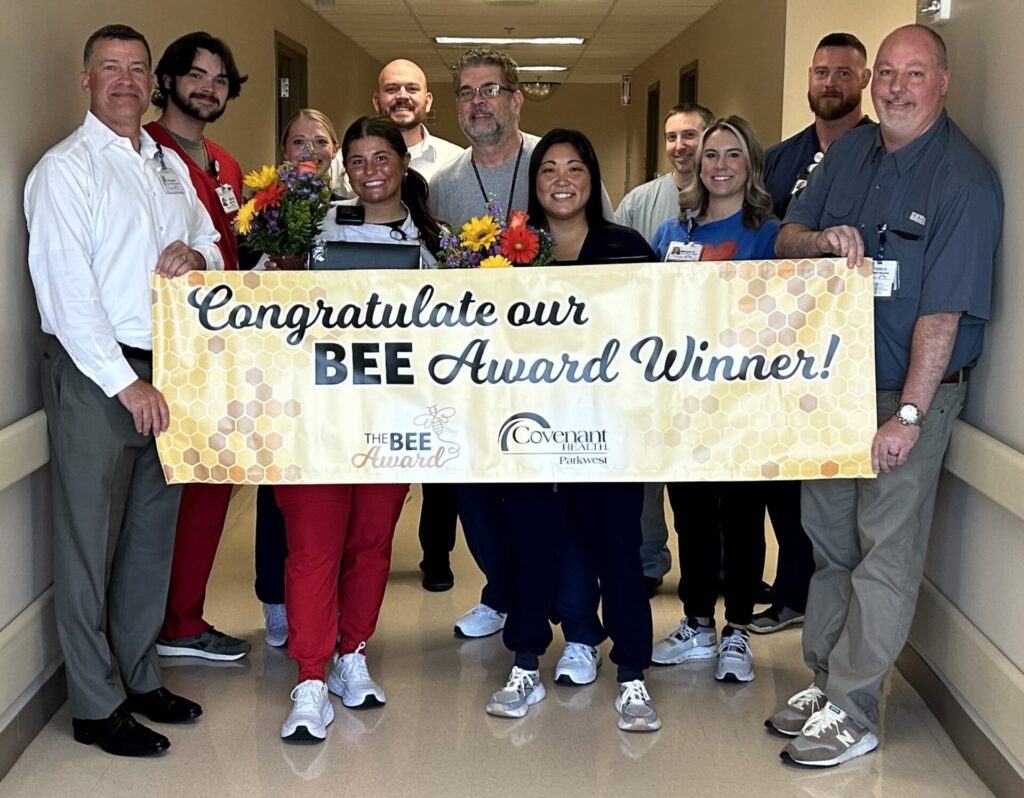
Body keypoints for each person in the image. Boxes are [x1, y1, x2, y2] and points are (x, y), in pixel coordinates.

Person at [767, 25, 1002, 768]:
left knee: (885, 552)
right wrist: (820, 241)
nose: (896, 88)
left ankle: (856, 707)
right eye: (888, 74)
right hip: (834, 385)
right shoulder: (852, 153)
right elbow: (785, 237)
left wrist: (907, 415)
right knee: (830, 542)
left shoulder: (962, 180)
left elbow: (943, 314)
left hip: (909, 392)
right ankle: (826, 680)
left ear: (943, 82)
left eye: (914, 74)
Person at [24, 23, 223, 757]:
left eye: (139, 69)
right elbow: (67, 296)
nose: (127, 81)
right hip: (97, 375)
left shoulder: (165, 162)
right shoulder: (64, 170)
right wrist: (125, 383)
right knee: (88, 546)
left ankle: (140, 678)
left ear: (154, 83)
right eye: (111, 69)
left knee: (147, 540)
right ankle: (94, 705)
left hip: (169, 367)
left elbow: (210, 238)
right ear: (87, 81)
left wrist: (193, 250)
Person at [429, 47, 614, 639]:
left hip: (559, 374)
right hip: (475, 373)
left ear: (515, 98)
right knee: (478, 496)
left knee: (550, 499)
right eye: (465, 92)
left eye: (489, 90)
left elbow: (603, 252)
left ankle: (569, 608)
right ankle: (503, 591)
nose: (477, 102)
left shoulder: (556, 164)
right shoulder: (441, 187)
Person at [485, 129, 660, 732]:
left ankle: (633, 674)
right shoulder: (508, 254)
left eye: (575, 168)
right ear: (534, 186)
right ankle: (526, 662)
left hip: (609, 434)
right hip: (530, 433)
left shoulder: (628, 248)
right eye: (548, 170)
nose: (562, 180)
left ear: (592, 179)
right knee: (532, 549)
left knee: (619, 553)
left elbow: (661, 331)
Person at [276, 114, 442, 744]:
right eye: (360, 160)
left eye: (383, 158)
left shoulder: (435, 243)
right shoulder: (311, 229)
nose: (372, 170)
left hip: (392, 419)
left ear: (404, 163)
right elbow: (264, 303)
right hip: (316, 419)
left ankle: (353, 652)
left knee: (370, 544)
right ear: (346, 168)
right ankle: (311, 676)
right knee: (314, 547)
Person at [142, 31, 285, 661]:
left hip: (224, 349)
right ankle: (165, 623)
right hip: (166, 350)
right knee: (171, 495)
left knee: (213, 484)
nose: (209, 88)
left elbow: (230, 249)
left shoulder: (225, 165)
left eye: (221, 80)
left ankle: (184, 619)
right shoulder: (143, 151)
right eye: (197, 76)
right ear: (169, 80)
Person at [749, 32, 873, 636]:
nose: (830, 83)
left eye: (843, 73)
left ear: (865, 80)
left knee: (830, 489)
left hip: (849, 352)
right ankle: (793, 591)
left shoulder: (880, 153)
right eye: (821, 72)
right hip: (783, 344)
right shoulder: (779, 158)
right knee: (783, 475)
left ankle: (826, 603)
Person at [650, 116, 780, 684]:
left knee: (745, 521)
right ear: (695, 165)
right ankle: (698, 622)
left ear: (749, 164)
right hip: (686, 401)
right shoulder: (669, 235)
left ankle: (738, 632)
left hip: (749, 403)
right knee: (694, 517)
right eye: (710, 155)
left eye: (733, 155)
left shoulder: (771, 234)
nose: (720, 165)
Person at [615, 102, 714, 597]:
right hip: (653, 359)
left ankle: (711, 569)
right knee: (649, 471)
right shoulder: (642, 204)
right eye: (672, 137)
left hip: (713, 363)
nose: (680, 146)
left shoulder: (734, 201)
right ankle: (649, 559)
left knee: (704, 471)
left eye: (691, 136)